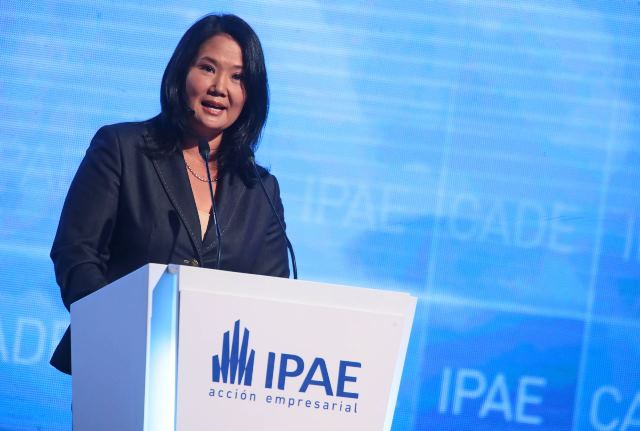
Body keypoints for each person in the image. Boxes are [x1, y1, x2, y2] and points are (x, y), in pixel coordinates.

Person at [49, 14, 290, 375]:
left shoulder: (261, 189)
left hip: (219, 380)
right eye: (208, 68)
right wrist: (115, 331)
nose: (219, 87)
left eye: (237, 77)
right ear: (181, 73)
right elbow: (77, 254)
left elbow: (272, 300)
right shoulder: (123, 149)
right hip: (119, 366)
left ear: (251, 94)